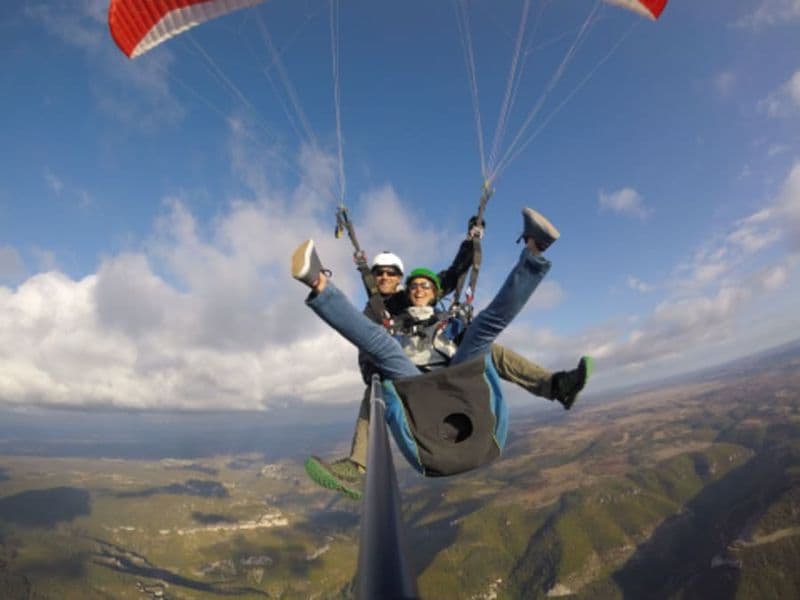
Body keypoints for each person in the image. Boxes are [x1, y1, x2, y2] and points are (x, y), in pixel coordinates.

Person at [296, 208, 592, 497]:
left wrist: (471, 241)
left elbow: (453, 275)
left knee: (485, 331)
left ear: (436, 293)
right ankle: (318, 283)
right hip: (414, 384)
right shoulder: (390, 319)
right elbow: (372, 337)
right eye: (414, 286)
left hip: (458, 377)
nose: (420, 289)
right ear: (405, 290)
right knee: (382, 347)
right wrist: (372, 370)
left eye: (426, 285)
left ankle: (535, 251)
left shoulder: (449, 322)